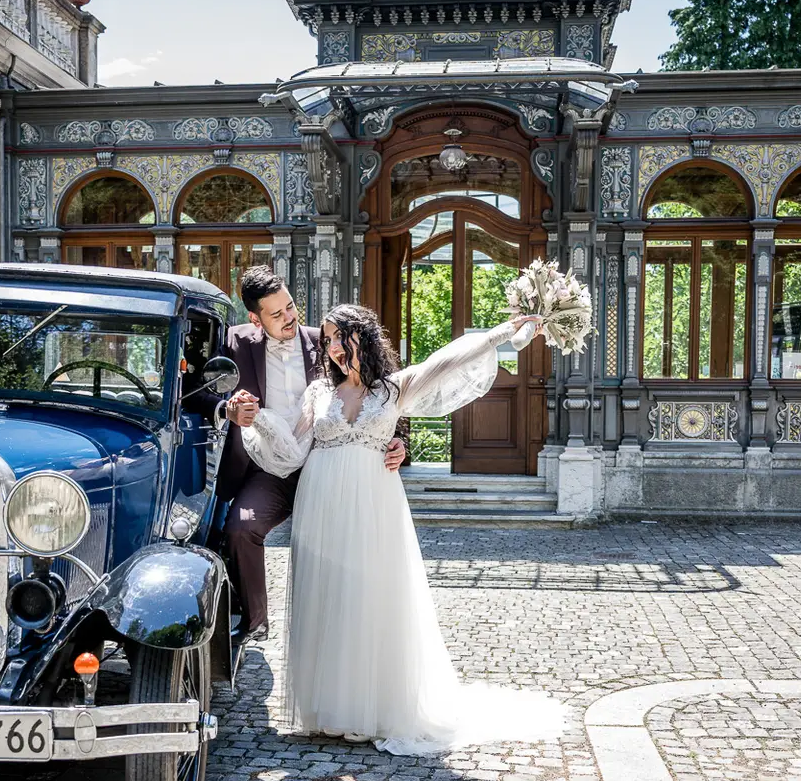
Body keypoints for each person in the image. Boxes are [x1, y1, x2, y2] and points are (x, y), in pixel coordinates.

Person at [238, 303, 565, 754]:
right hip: (321, 502)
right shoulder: (318, 394)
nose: (332, 347)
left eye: (341, 336)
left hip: (373, 504)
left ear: (364, 338)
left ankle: (372, 708)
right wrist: (258, 422)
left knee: (370, 597)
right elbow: (293, 452)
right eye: (328, 339)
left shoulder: (393, 389)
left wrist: (502, 333)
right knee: (326, 595)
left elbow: (446, 360)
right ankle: (327, 709)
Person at [217, 268, 404, 642]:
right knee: (239, 528)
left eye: (290, 307)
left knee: (345, 549)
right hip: (268, 471)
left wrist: (395, 439)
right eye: (276, 314)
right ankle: (255, 621)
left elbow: (375, 387)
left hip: (328, 463)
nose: (289, 318)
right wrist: (228, 409)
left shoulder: (328, 341)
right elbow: (201, 391)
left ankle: (352, 635)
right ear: (254, 318)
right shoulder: (234, 343)